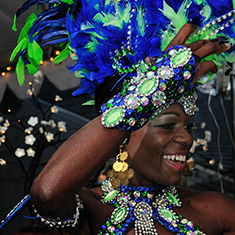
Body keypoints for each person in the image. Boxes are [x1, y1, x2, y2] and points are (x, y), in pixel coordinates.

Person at [6, 0, 235, 234]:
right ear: (122, 135)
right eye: (168, 125)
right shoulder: (90, 209)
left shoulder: (217, 212)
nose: (187, 138)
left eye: (189, 125)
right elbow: (46, 193)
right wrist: (152, 90)